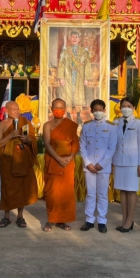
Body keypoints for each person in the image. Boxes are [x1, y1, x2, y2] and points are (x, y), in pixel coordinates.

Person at [0, 101, 39, 228]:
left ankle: (20, 216)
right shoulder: (2, 125)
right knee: (8, 188)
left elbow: (33, 139)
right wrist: (10, 136)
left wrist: (28, 140)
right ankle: (6, 216)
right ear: (7, 111)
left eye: (17, 109)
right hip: (7, 161)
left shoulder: (25, 123)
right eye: (13, 109)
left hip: (22, 160)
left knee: (22, 188)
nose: (16, 112)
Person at [42, 98, 80, 232]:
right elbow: (46, 144)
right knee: (52, 192)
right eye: (56, 107)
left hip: (67, 162)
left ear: (65, 109)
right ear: (51, 108)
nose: (59, 110)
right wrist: (58, 158)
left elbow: (75, 142)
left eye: (61, 107)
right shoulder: (47, 125)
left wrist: (70, 156)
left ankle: (62, 220)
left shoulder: (70, 124)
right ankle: (51, 220)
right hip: (53, 160)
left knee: (65, 193)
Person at [79, 99, 116, 233]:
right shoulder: (87, 126)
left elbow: (112, 148)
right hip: (89, 166)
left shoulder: (111, 127)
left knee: (102, 194)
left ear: (104, 111)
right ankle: (89, 220)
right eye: (95, 110)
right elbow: (82, 146)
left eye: (100, 109)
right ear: (91, 111)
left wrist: (101, 164)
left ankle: (101, 220)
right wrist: (88, 163)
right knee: (90, 194)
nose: (98, 112)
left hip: (103, 167)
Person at [112, 97, 140, 233]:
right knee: (122, 191)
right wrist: (112, 162)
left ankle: (130, 220)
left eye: (129, 106)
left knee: (131, 191)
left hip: (133, 162)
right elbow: (113, 143)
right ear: (120, 108)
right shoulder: (115, 122)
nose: (126, 108)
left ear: (133, 108)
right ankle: (124, 219)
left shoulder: (139, 123)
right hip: (119, 161)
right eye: (123, 106)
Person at [56, 31, 92, 121]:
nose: (74, 39)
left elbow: (87, 64)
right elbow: (61, 64)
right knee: (68, 95)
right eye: (72, 37)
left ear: (79, 39)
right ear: (70, 39)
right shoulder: (65, 51)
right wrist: (61, 77)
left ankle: (78, 114)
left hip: (79, 77)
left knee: (78, 96)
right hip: (68, 76)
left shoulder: (83, 51)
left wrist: (86, 78)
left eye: (76, 37)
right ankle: (68, 114)